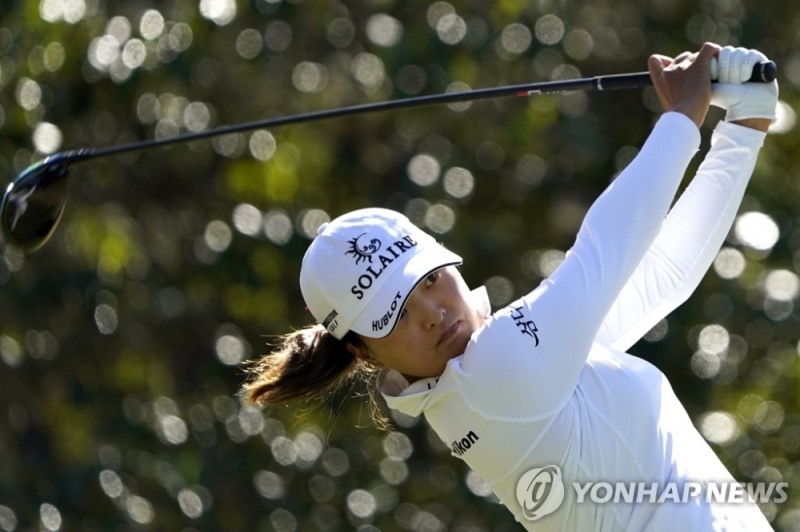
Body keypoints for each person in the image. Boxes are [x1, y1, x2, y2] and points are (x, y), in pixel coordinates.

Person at [242, 42, 779, 530]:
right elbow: (607, 245)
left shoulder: (492, 383)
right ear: (363, 350)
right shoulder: (498, 370)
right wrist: (683, 115)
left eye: (430, 279)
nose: (432, 312)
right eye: (395, 313)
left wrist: (743, 128)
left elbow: (660, 276)